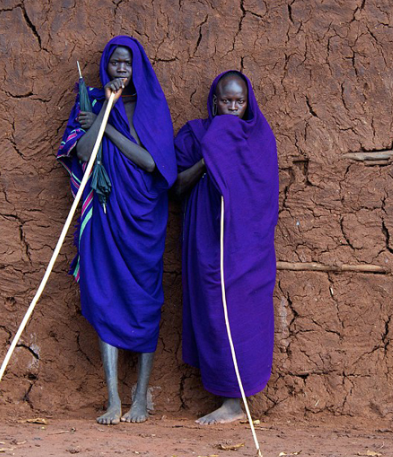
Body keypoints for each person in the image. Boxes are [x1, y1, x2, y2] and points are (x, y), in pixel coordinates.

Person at [56, 36, 176, 425]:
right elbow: (85, 154)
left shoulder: (151, 106)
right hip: (106, 213)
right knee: (105, 292)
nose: (121, 70)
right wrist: (103, 110)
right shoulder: (91, 101)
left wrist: (107, 127)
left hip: (142, 217)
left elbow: (149, 163)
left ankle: (140, 397)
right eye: (114, 63)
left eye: (127, 63)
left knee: (144, 302)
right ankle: (112, 399)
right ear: (106, 66)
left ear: (137, 67)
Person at [172, 71, 278, 425]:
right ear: (214, 102)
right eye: (225, 101)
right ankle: (225, 397)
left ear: (248, 103)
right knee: (214, 314)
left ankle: (237, 402)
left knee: (243, 316)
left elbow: (264, 194)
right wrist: (209, 157)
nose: (232, 107)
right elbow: (176, 187)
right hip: (206, 244)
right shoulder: (196, 135)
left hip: (246, 247)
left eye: (239, 101)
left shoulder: (259, 139)